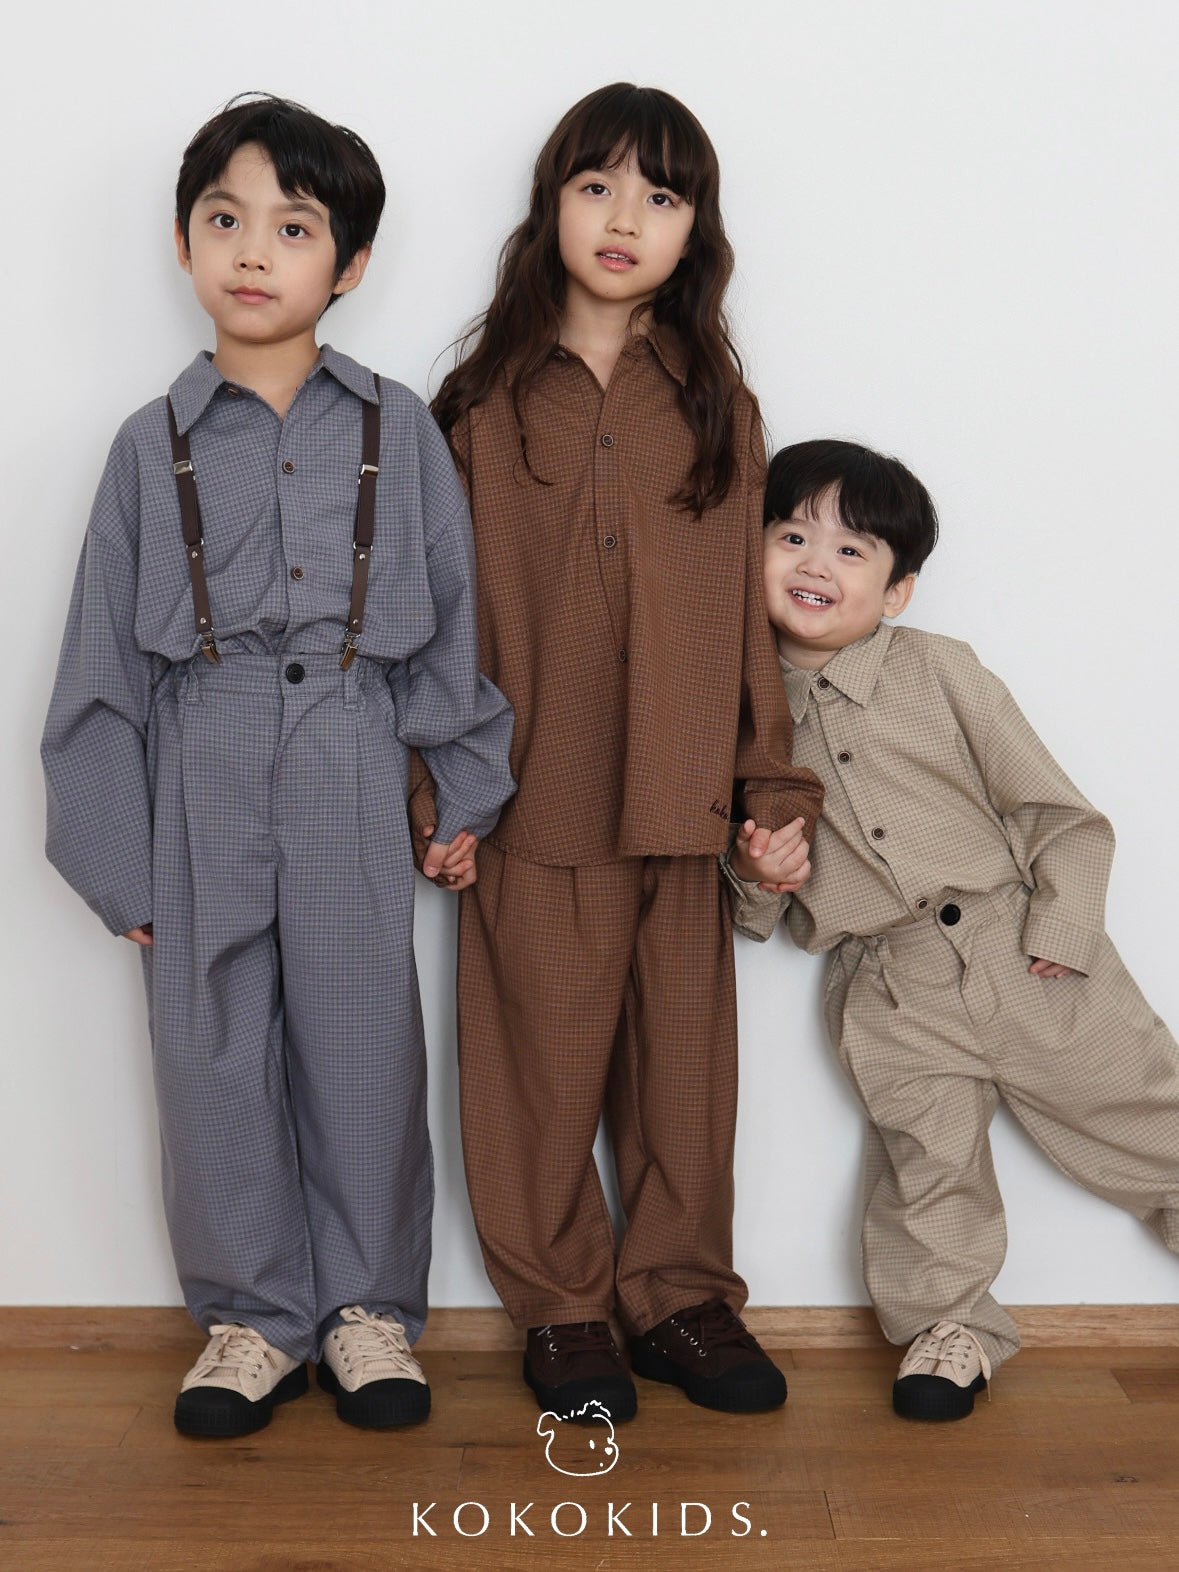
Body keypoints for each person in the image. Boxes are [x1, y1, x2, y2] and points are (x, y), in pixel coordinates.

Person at [41, 95, 514, 1439]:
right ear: (183, 243)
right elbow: (100, 663)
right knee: (210, 1048)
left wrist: (460, 792)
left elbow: (451, 618)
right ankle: (252, 1320)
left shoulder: (398, 429)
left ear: (348, 264)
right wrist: (115, 855)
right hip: (199, 755)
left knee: (362, 1041)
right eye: (225, 219)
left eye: (293, 228)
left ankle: (367, 1312)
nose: (254, 251)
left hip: (353, 752)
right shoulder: (148, 444)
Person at [418, 82, 824, 1422]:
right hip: (528, 798)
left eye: (660, 195)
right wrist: (438, 790)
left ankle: (681, 1300)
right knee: (535, 1075)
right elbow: (436, 623)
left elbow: (744, 625)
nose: (623, 217)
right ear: (550, 203)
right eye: (597, 185)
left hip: (681, 795)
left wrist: (770, 791)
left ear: (694, 230)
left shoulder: (718, 408)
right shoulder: (475, 409)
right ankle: (564, 1309)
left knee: (681, 1079)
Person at [725, 438, 1179, 1420]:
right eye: (791, 536)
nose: (814, 562)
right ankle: (950, 1327)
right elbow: (748, 909)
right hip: (885, 985)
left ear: (896, 591)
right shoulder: (736, 717)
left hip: (1023, 950)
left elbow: (1057, 812)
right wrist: (759, 876)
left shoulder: (939, 671)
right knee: (924, 1165)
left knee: (1146, 1114)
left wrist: (1065, 929)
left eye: (851, 550)